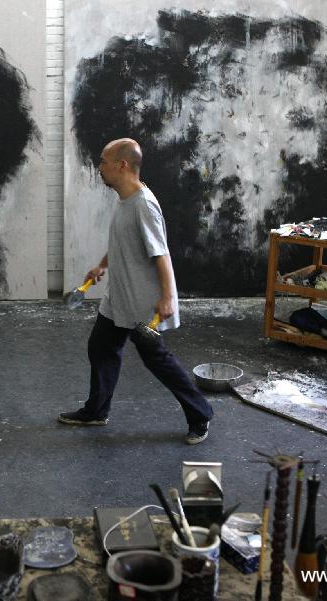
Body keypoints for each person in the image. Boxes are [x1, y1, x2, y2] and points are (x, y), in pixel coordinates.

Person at [58, 138, 214, 444]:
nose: (99, 167)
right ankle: (97, 411)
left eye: (103, 162)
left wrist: (167, 298)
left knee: (158, 361)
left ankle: (201, 414)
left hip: (142, 302)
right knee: (101, 348)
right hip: (118, 296)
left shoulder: (144, 205)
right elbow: (123, 242)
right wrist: (102, 265)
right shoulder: (124, 199)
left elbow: (161, 255)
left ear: (122, 165)